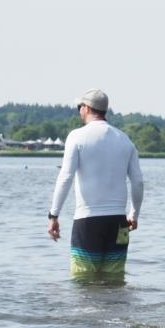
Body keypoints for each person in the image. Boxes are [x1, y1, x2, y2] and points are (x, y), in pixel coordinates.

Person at [48, 89, 144, 280]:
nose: (79, 111)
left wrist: (54, 215)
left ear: (86, 107)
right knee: (115, 281)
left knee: (83, 282)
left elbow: (66, 176)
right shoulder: (125, 140)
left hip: (88, 221)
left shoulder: (77, 137)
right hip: (118, 222)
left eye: (79, 107)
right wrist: (133, 214)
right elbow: (138, 182)